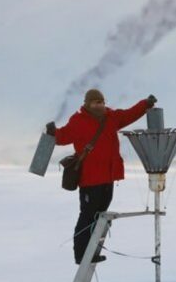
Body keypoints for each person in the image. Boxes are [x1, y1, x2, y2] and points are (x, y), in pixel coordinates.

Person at [47, 88, 156, 264]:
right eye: (96, 102)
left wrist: (146, 104)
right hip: (89, 180)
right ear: (87, 103)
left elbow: (130, 115)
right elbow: (63, 136)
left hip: (108, 178)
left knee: (100, 216)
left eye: (102, 102)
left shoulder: (111, 117)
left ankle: (92, 252)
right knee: (88, 216)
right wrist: (53, 132)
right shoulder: (78, 120)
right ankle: (81, 254)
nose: (100, 105)